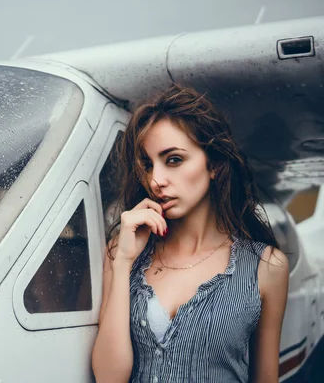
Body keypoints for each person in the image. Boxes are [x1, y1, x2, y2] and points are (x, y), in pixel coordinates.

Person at [91, 84, 289, 382]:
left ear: (214, 164)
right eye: (147, 165)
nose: (156, 180)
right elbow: (109, 378)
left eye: (173, 160)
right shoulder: (122, 251)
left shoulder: (266, 267)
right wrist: (122, 264)